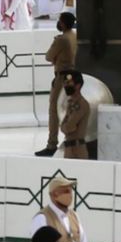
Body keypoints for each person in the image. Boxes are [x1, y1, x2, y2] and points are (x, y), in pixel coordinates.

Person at [35, 12, 79, 155]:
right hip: (73, 76)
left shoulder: (61, 40)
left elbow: (48, 56)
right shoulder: (74, 36)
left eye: (60, 21)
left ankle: (51, 144)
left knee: (54, 110)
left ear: (63, 23)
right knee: (71, 108)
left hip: (62, 77)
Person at [37, 176, 91, 242]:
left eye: (71, 191)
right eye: (66, 191)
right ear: (54, 194)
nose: (70, 195)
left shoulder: (74, 216)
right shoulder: (42, 218)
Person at [58, 69, 92, 158]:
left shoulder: (81, 104)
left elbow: (68, 126)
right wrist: (65, 127)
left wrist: (65, 127)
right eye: (65, 83)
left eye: (69, 83)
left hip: (78, 150)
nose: (66, 86)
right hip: (68, 148)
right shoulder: (70, 102)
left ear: (78, 86)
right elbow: (63, 126)